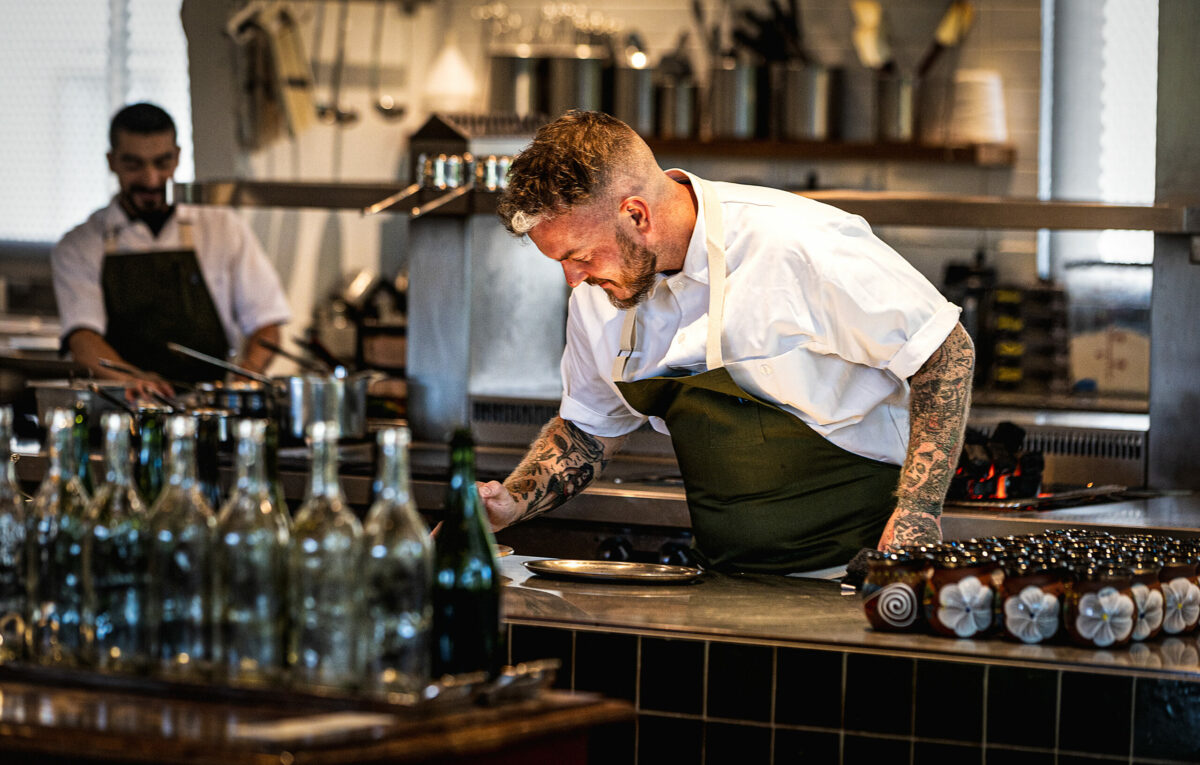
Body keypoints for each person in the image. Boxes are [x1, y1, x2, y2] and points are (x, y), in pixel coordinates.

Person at [480, 110, 975, 575]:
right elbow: (589, 430)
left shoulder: (798, 244)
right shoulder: (598, 295)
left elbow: (944, 349)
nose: (572, 279)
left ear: (636, 215)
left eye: (580, 255)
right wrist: (514, 501)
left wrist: (918, 511)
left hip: (858, 574)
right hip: (722, 577)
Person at [51, 102, 291, 398]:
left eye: (162, 163)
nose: (151, 179)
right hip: (128, 408)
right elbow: (82, 339)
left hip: (210, 404)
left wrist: (244, 378)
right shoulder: (80, 245)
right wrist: (134, 379)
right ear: (112, 161)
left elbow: (266, 324)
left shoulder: (222, 227)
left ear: (177, 157)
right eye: (134, 164)